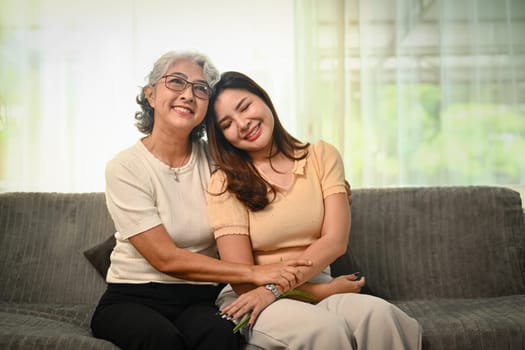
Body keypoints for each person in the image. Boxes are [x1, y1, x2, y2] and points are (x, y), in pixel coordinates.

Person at [90, 51, 312, 350]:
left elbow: (272, 171)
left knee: (222, 337)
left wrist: (323, 186)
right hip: (133, 296)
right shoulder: (125, 167)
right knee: (162, 341)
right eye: (177, 82)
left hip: (200, 299)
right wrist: (255, 273)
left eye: (200, 89)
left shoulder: (218, 161)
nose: (188, 95)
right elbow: (164, 258)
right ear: (151, 95)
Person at [205, 71, 423, 350]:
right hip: (253, 298)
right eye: (227, 124)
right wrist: (322, 291)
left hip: (303, 287)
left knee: (381, 316)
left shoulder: (322, 156)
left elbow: (334, 241)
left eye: (245, 106)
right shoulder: (224, 182)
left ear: (264, 99)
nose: (243, 123)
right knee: (324, 330)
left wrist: (290, 289)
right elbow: (242, 279)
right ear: (223, 138)